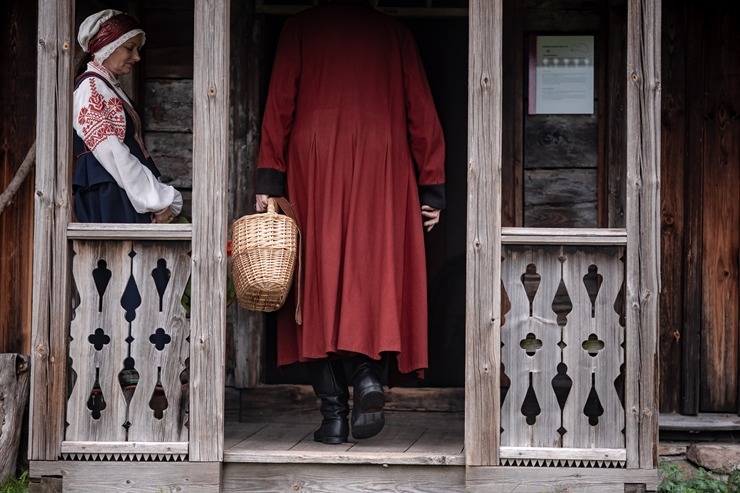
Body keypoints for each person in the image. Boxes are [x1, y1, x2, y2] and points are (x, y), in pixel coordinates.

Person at [255, 0, 446, 444]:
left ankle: (333, 417)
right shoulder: (395, 33)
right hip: (384, 160)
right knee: (372, 271)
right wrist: (432, 186)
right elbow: (422, 112)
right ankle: (366, 378)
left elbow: (279, 103)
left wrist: (269, 177)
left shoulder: (299, 27)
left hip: (314, 162)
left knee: (314, 282)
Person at [73, 9, 182, 224]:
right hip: (109, 194)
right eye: (129, 48)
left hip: (120, 192)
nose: (137, 56)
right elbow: (112, 153)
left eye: (138, 49)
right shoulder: (92, 87)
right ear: (106, 47)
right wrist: (154, 200)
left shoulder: (107, 86)